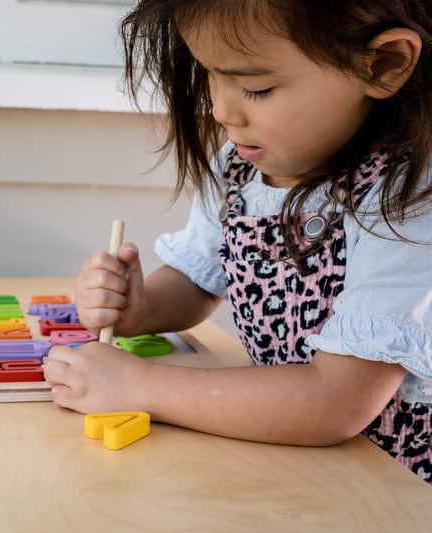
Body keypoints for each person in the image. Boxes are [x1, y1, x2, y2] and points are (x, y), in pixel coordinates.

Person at [43, 0, 432, 482]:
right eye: (209, 73)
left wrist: (139, 386)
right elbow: (198, 282)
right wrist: (138, 307)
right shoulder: (242, 166)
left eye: (256, 87)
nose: (223, 110)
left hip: (391, 484)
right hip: (289, 460)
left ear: (383, 64)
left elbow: (335, 402)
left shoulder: (408, 202)